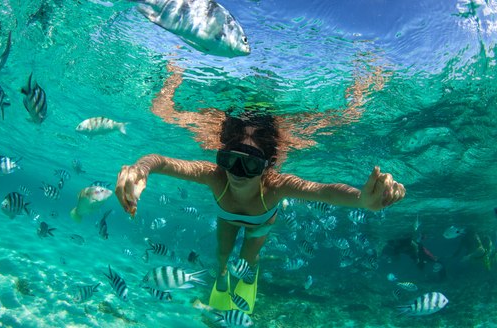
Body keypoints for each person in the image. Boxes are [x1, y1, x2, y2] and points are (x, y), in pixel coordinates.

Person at [115, 64, 406, 314]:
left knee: (249, 259)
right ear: (222, 157)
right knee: (221, 256)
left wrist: (361, 200)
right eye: (230, 160)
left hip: (260, 223)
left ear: (267, 165)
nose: (238, 173)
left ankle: (246, 277)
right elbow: (162, 161)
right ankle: (222, 276)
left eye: (251, 165)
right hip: (227, 217)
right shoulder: (216, 176)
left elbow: (324, 191)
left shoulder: (276, 186)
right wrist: (142, 170)